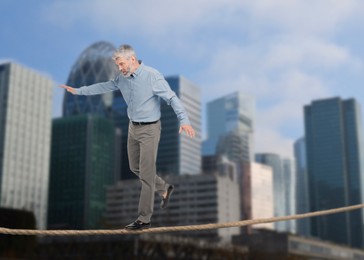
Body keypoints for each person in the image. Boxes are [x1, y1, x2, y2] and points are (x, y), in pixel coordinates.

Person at [61, 44, 195, 230]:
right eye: (117, 66)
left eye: (122, 64)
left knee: (146, 175)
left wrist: (184, 120)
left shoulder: (152, 76)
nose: (120, 69)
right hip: (133, 128)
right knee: (135, 167)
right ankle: (164, 188)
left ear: (132, 60)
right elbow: (104, 86)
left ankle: (144, 220)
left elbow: (172, 98)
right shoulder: (121, 78)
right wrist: (78, 91)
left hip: (150, 130)